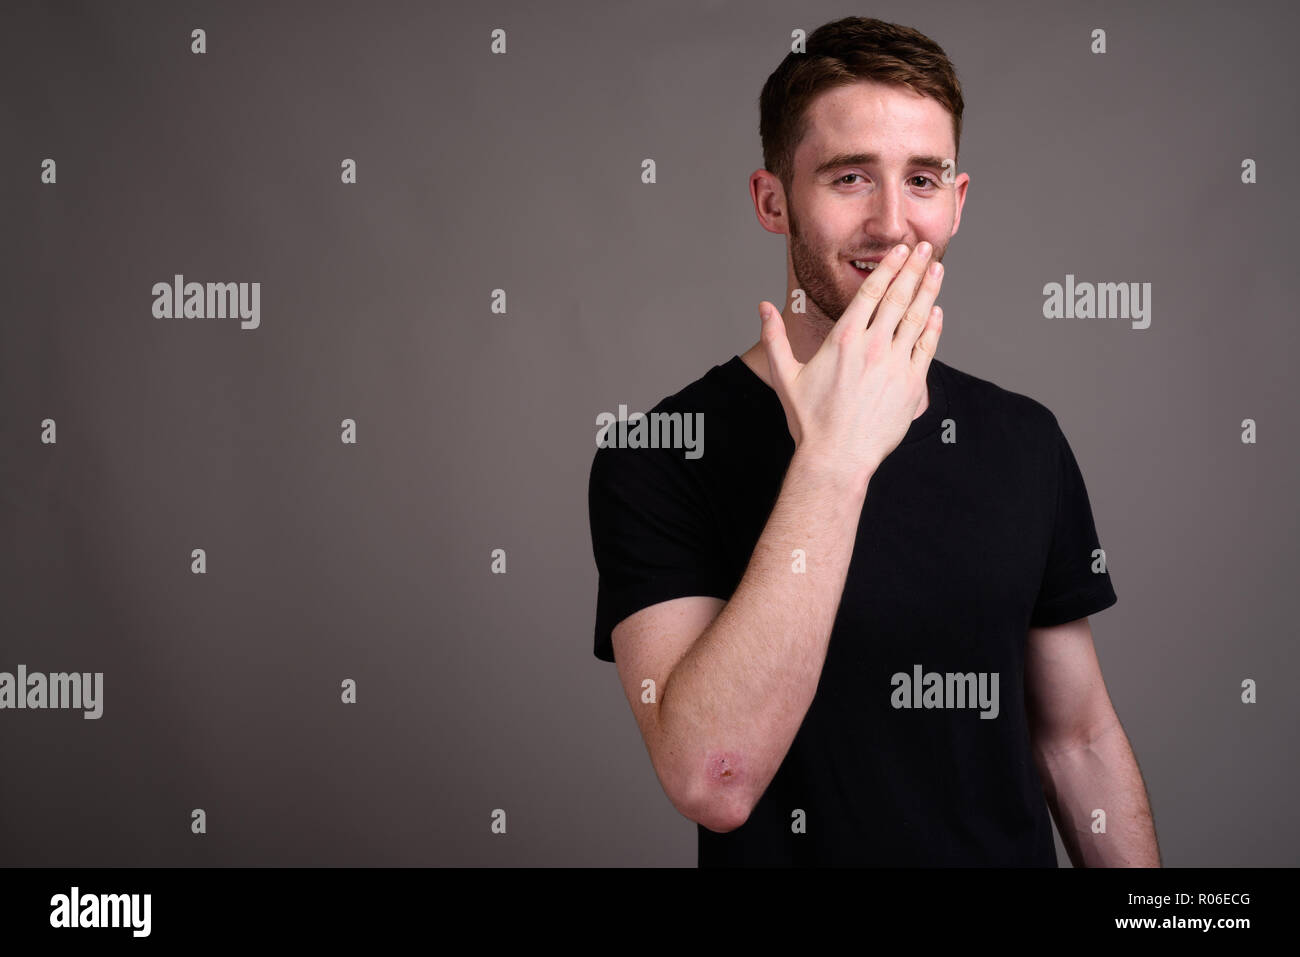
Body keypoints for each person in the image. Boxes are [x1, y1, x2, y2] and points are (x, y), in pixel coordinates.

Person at [587, 16, 1159, 867]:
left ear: (957, 204)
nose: (894, 223)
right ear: (772, 200)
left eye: (922, 179)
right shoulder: (659, 454)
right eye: (849, 177)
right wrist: (834, 459)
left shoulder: (1024, 440)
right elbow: (714, 777)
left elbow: (1076, 740)